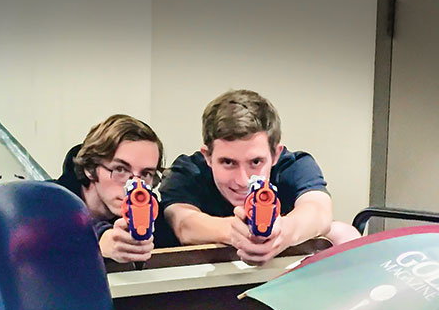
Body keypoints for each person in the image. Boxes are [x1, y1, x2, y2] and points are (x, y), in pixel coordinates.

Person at [160, 89, 359, 266]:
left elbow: (318, 210)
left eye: (255, 162)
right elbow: (183, 223)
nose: (243, 180)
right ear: (207, 157)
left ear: (275, 155)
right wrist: (235, 233)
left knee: (343, 233)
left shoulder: (294, 166)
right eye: (228, 162)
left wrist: (283, 232)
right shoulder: (188, 172)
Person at [55, 114, 177, 263]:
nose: (133, 184)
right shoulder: (49, 201)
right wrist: (99, 238)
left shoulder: (150, 210)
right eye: (120, 169)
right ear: (90, 168)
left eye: (146, 174)